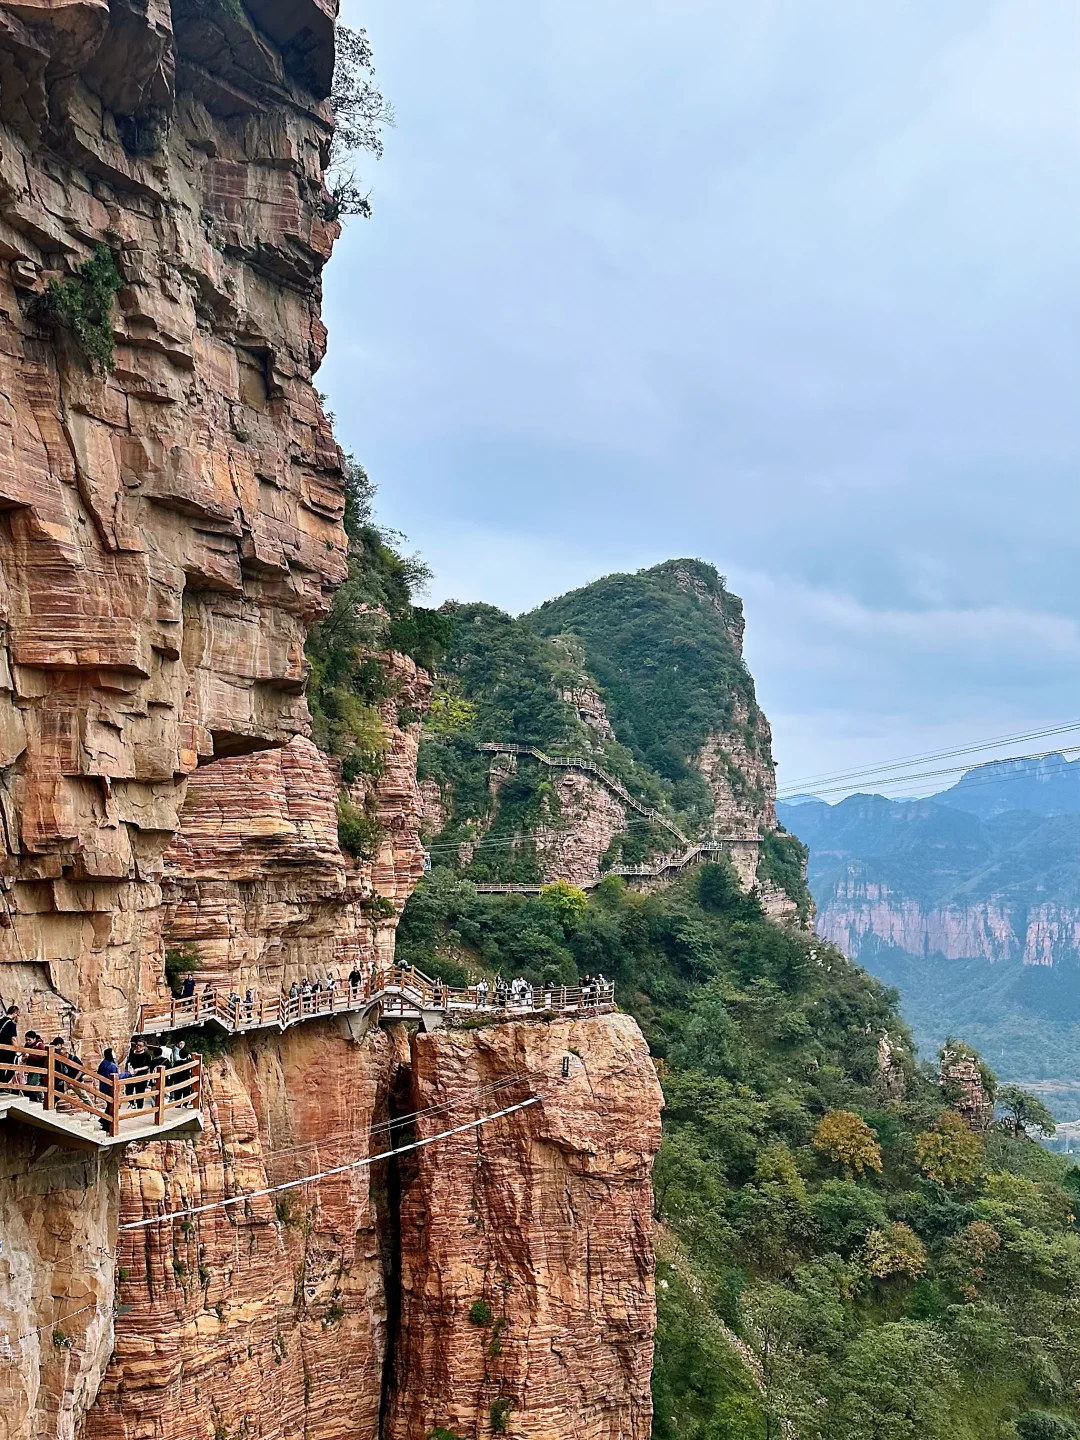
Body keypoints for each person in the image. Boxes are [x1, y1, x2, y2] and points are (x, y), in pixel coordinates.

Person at [126, 1038, 154, 1109]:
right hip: (131, 1074)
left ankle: (139, 1107)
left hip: (141, 1075)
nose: (138, 1047)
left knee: (140, 1092)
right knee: (129, 1090)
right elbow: (129, 1062)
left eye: (140, 1045)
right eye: (137, 1045)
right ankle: (132, 1104)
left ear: (144, 1047)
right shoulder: (132, 1052)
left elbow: (148, 1065)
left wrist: (139, 1069)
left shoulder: (146, 1055)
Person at [0, 1003, 19, 1089]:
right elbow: (13, 1039)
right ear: (14, 1013)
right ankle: (2, 1084)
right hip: (7, 1050)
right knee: (12, 1067)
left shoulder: (0, 1021)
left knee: (1, 1067)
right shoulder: (11, 1024)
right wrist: (17, 1051)